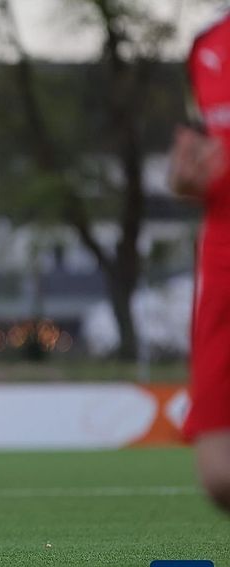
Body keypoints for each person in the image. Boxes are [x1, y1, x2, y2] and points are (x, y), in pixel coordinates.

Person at [173, 11, 230, 514]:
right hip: (222, 254)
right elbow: (189, 159)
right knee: (219, 477)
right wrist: (186, 175)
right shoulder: (207, 46)